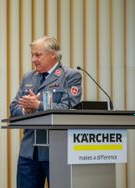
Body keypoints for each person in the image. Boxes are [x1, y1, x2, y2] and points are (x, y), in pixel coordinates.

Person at [10, 36, 82, 188]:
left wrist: (38, 105)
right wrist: (26, 109)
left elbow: (68, 109)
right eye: (33, 55)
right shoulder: (28, 77)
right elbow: (13, 107)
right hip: (29, 151)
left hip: (57, 150)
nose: (33, 59)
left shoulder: (70, 76)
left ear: (53, 54)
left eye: (38, 55)